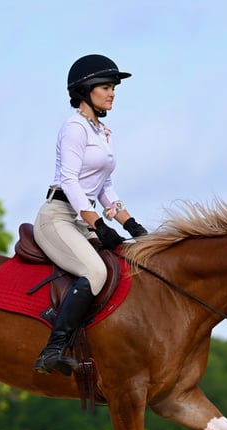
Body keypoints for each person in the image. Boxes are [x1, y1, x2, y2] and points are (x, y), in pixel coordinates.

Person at [33, 54, 148, 376]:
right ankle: (52, 350)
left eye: (114, 88)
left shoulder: (101, 131)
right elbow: (70, 180)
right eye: (107, 87)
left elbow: (104, 186)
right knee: (96, 272)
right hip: (58, 216)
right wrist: (96, 223)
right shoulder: (74, 128)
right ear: (85, 91)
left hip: (83, 218)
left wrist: (130, 223)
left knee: (123, 266)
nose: (112, 93)